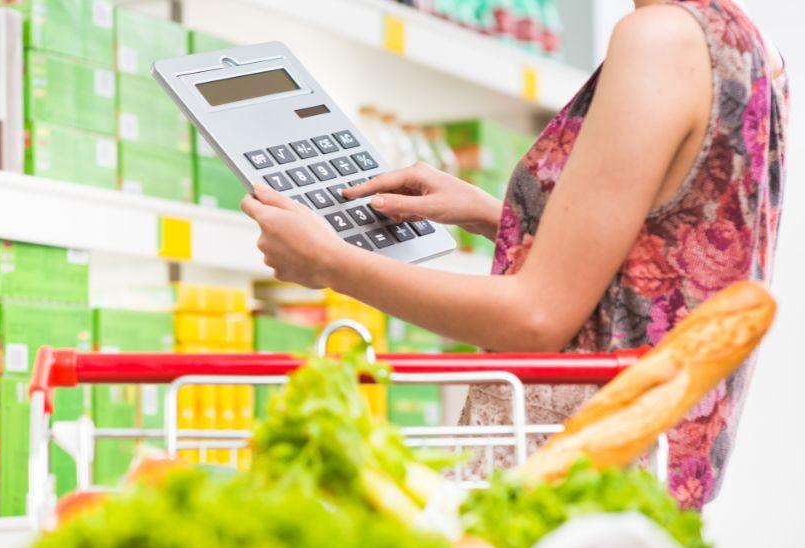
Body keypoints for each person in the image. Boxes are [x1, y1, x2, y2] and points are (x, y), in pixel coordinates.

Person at [241, 0, 787, 509]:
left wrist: (333, 264)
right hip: (631, 483)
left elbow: (536, 317)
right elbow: (660, 257)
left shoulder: (660, 39)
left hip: (569, 483)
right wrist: (497, 216)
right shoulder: (743, 42)